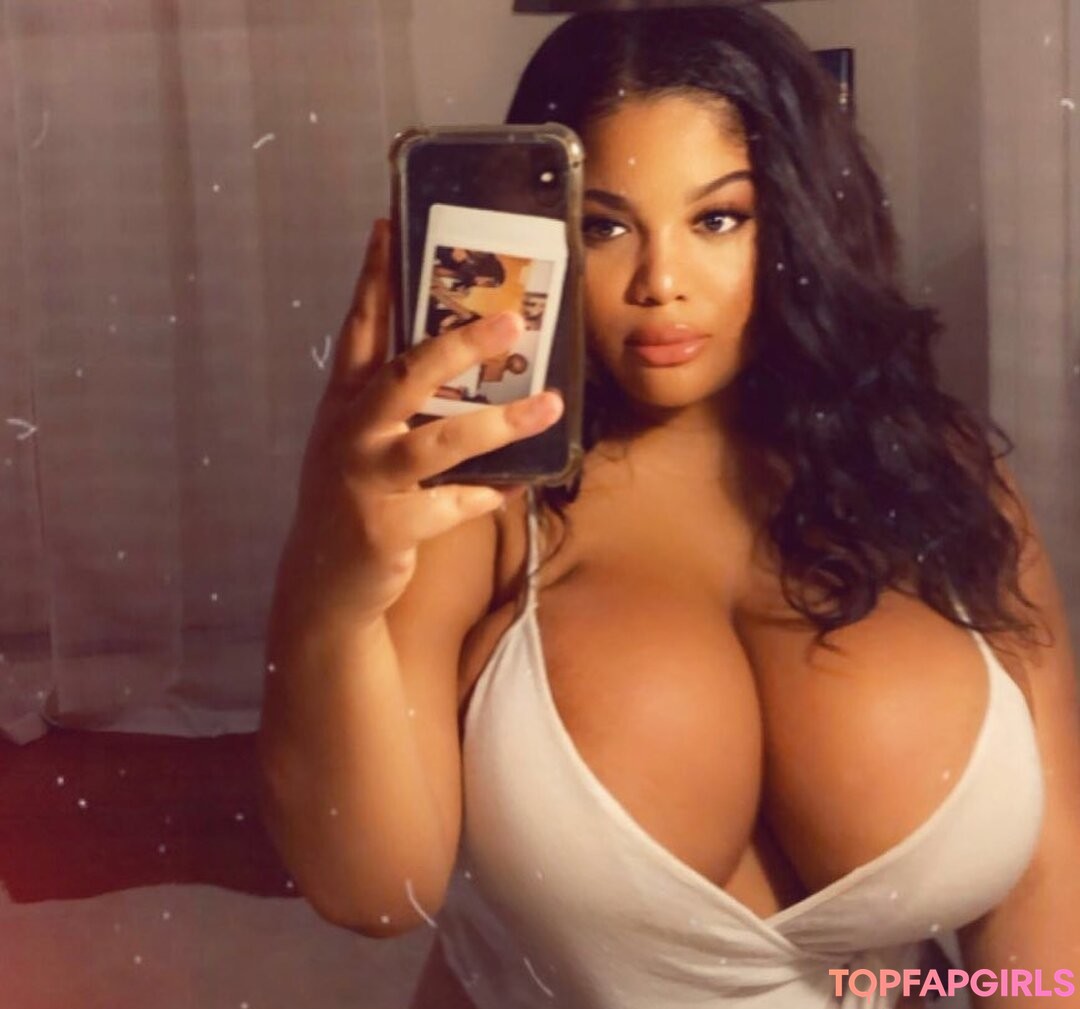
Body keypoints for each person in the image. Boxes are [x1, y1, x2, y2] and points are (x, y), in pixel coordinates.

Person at [257, 6, 1080, 1008]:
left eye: (718, 219)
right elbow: (374, 893)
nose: (661, 283)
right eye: (605, 226)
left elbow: (1047, 889)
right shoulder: (484, 499)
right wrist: (329, 585)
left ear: (802, 219)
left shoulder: (940, 475)